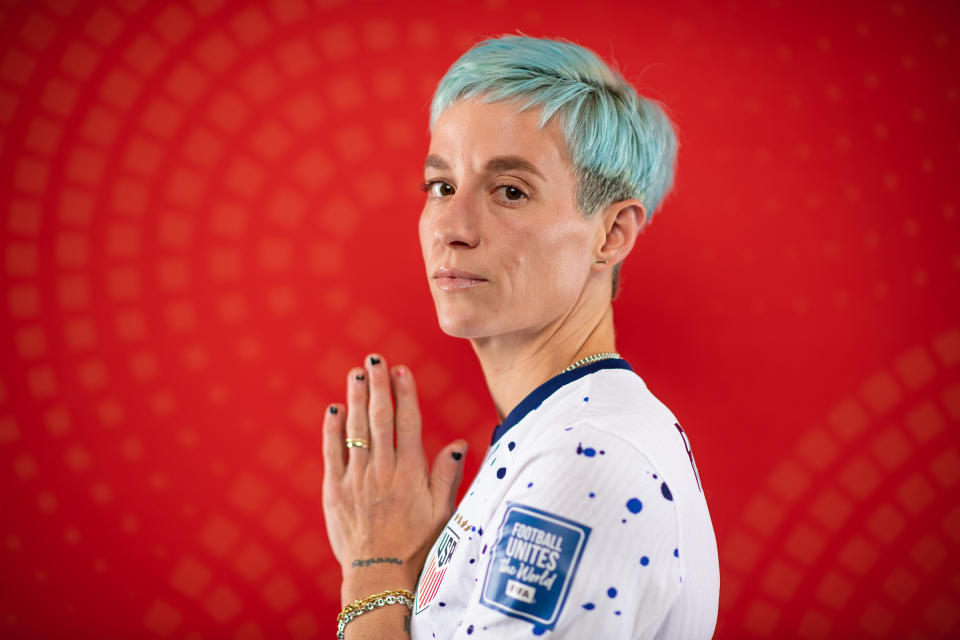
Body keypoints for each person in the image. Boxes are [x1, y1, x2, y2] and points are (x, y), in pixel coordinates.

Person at [322, 33, 719, 639]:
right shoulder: (563, 431)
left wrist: (373, 571)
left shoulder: (585, 458)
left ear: (610, 235)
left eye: (510, 191)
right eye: (441, 187)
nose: (451, 228)